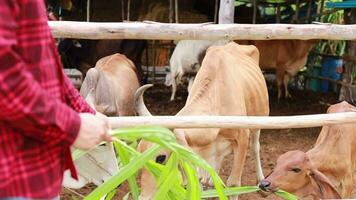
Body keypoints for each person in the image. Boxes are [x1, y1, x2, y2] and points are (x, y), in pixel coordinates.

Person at [0, 1, 112, 199]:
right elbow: (5, 77)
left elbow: (45, 66)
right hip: (12, 173)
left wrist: (86, 111)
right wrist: (71, 125)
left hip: (35, 171)